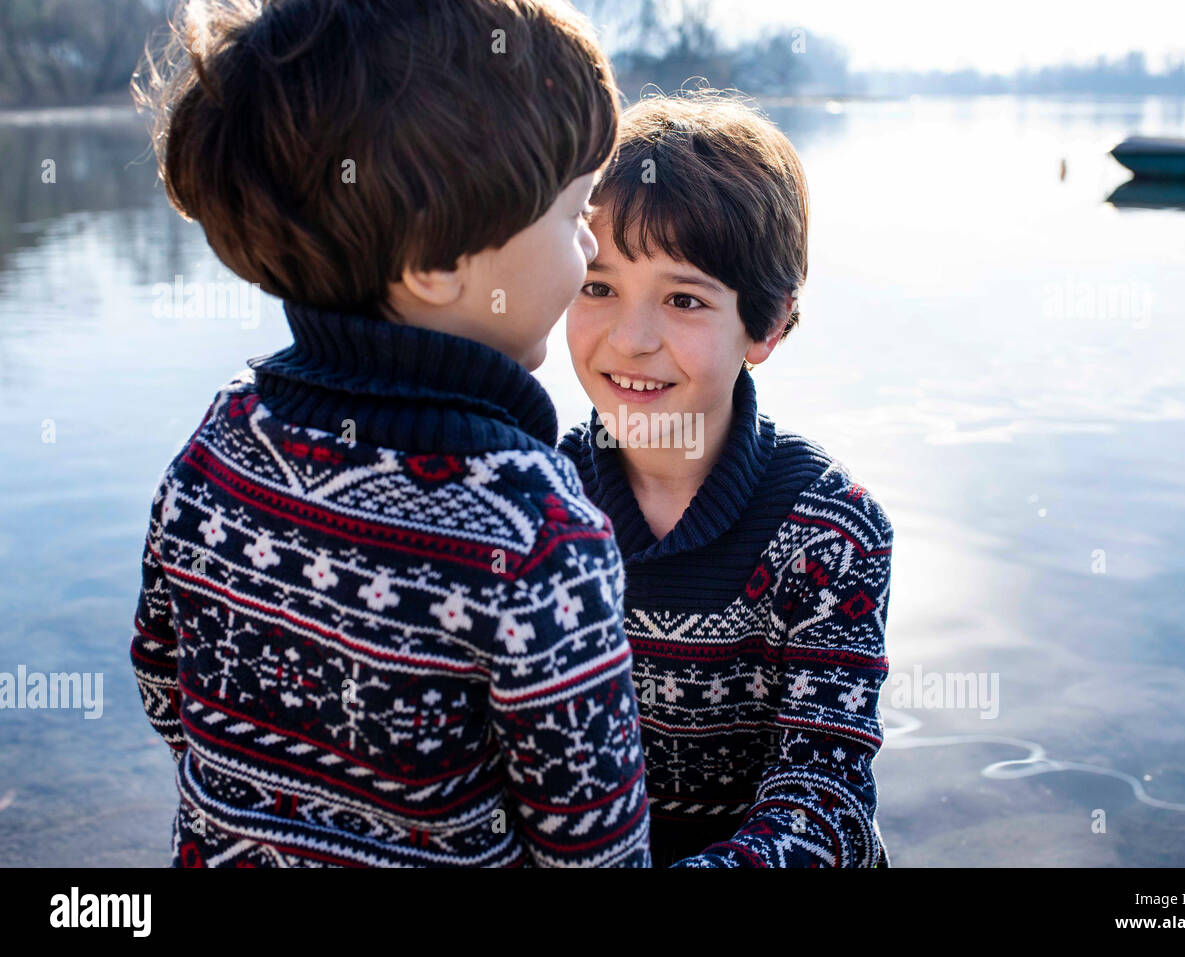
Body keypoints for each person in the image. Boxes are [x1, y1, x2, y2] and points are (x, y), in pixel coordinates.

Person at [128, 0, 651, 867]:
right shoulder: (533, 533)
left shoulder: (222, 439)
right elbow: (596, 849)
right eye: (572, 215)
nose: (594, 248)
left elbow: (162, 686)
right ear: (437, 267)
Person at [559, 90, 895, 867]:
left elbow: (826, 797)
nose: (630, 339)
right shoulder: (536, 504)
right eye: (598, 286)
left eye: (683, 299)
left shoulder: (829, 530)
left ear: (767, 325)